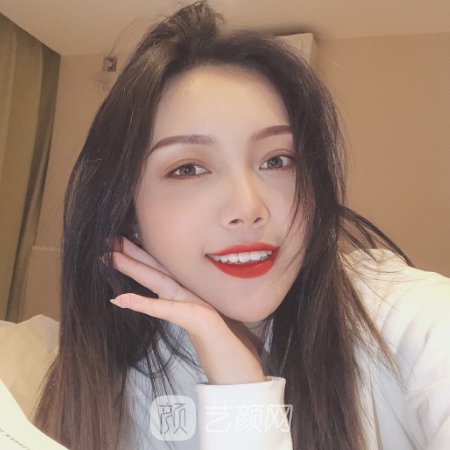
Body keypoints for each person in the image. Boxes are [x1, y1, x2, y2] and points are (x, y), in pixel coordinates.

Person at [1, 1, 448, 449]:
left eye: (278, 160)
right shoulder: (98, 385)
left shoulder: (404, 321)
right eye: (188, 169)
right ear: (127, 210)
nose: (248, 208)